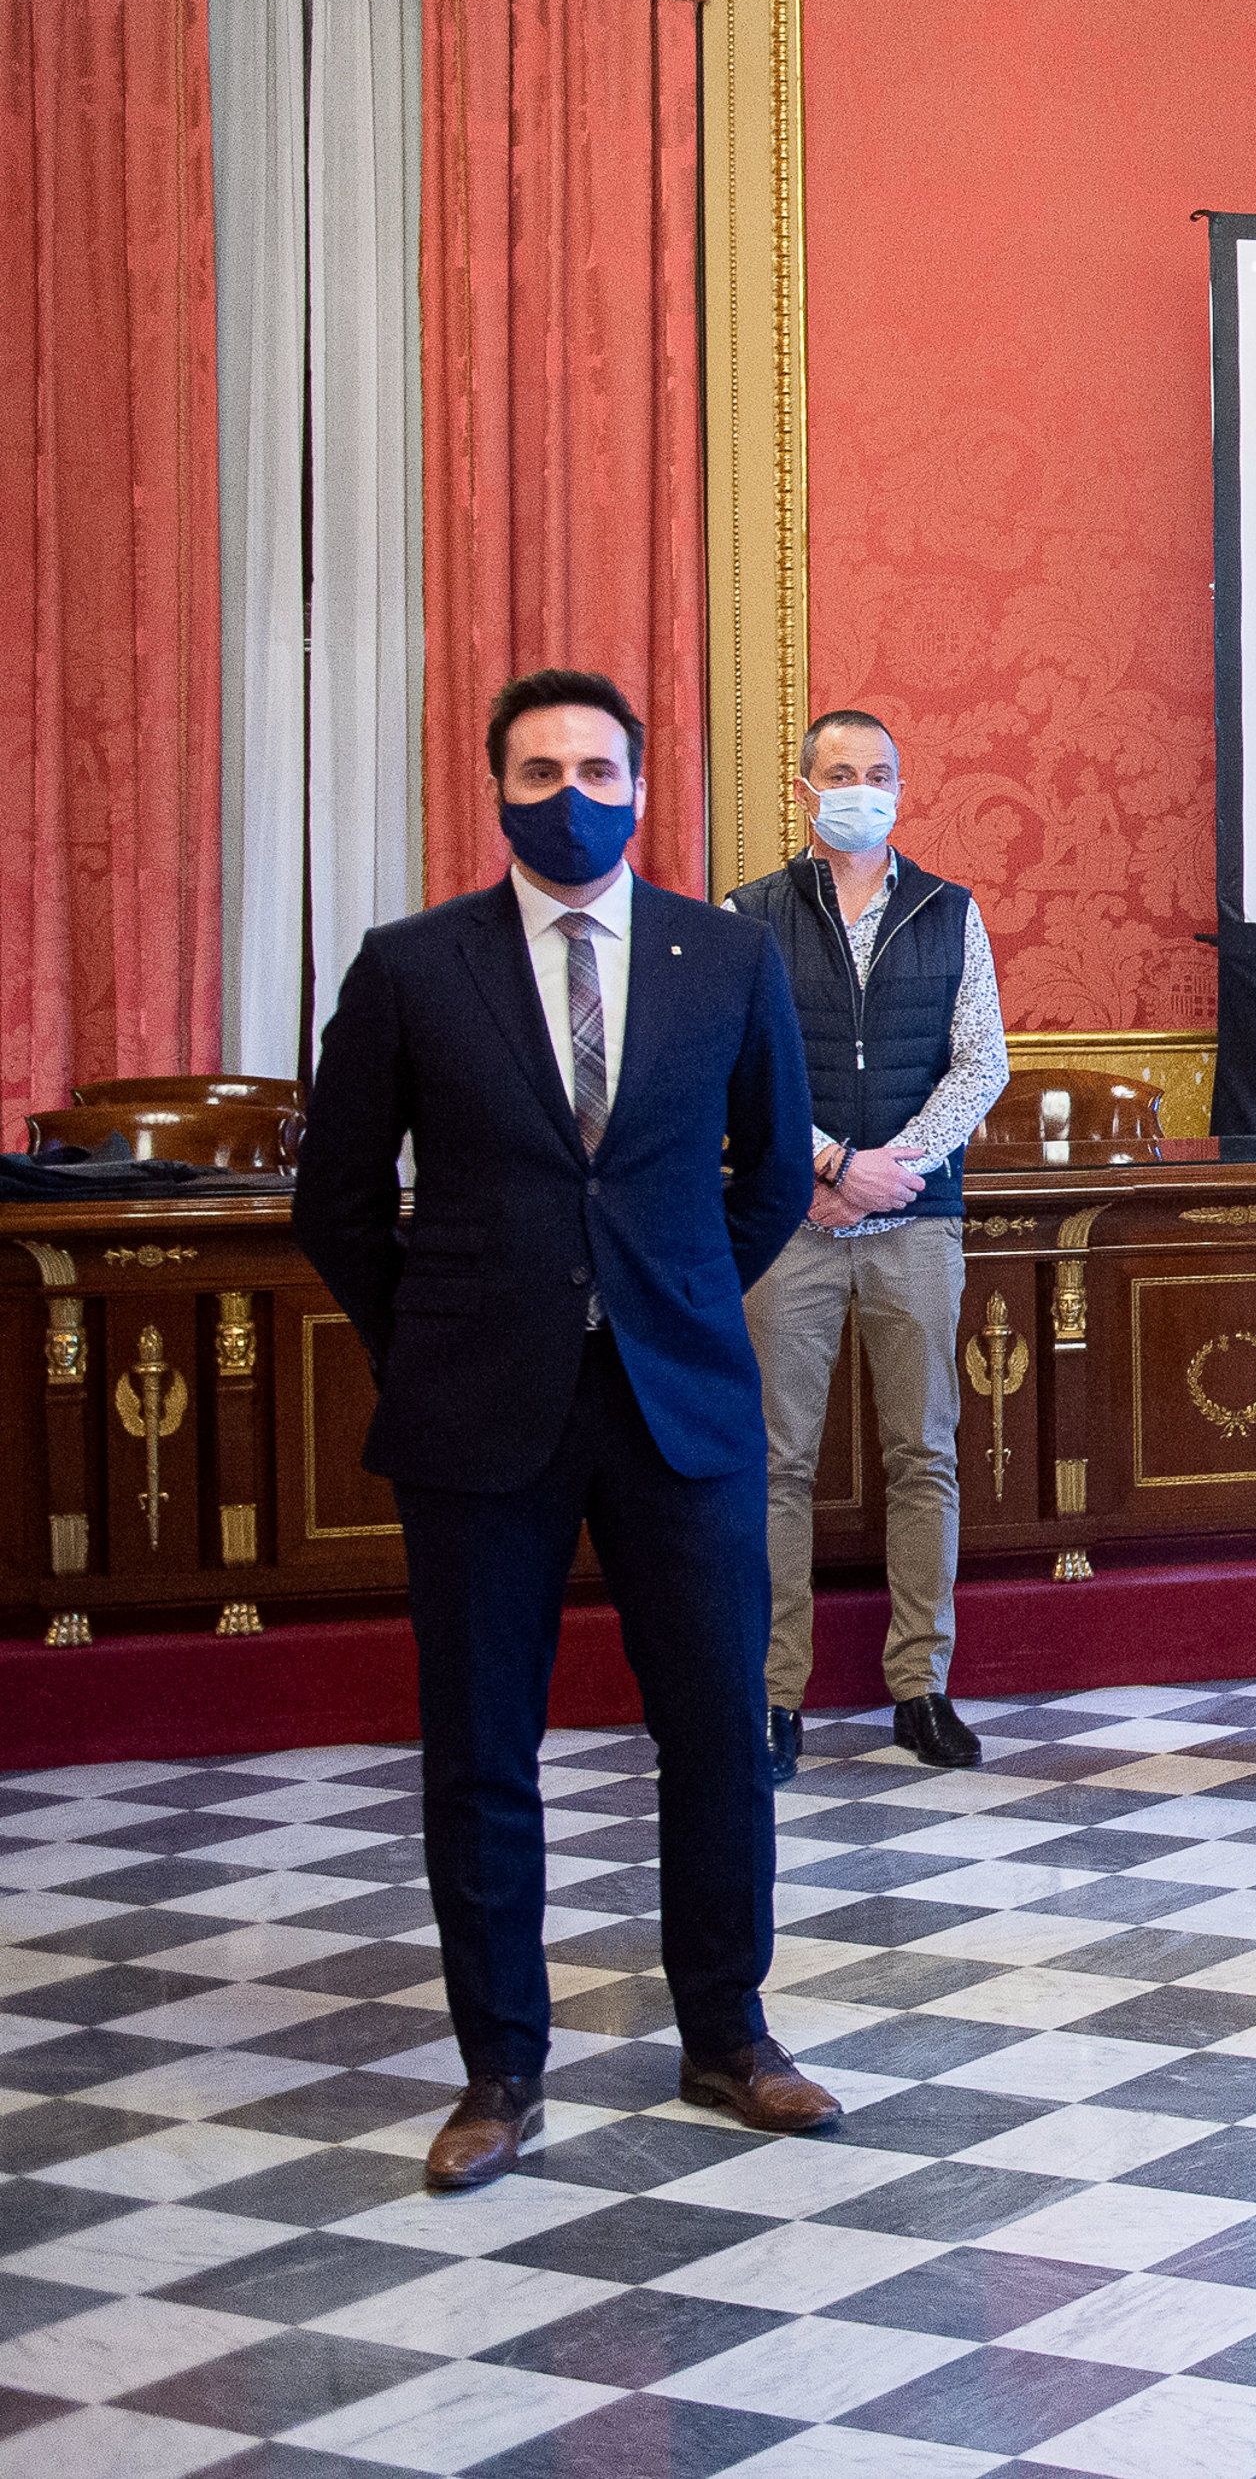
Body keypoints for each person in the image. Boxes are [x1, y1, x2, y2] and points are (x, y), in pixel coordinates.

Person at [290, 668, 837, 2192]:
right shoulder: (410, 965)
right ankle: (499, 2067)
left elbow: (774, 1175)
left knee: (722, 1729)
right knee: (482, 1747)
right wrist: (439, 1337)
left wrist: (663, 1293)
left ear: (645, 786)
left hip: (680, 1401)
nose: (570, 791)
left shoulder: (723, 955)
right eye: (539, 768)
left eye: (597, 765)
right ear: (496, 789)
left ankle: (729, 2031)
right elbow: (334, 1201)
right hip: (478, 1412)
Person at [725, 710, 1010, 1782]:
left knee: (924, 1454)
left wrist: (896, 1165)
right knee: (774, 1464)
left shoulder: (950, 910)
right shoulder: (747, 914)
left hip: (917, 1225)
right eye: (839, 772)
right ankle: (772, 1697)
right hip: (789, 1222)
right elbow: (734, 1063)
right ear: (803, 789)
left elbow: (982, 1063)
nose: (861, 786)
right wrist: (833, 1164)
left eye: (879, 771)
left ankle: (920, 1688)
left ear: (903, 784)